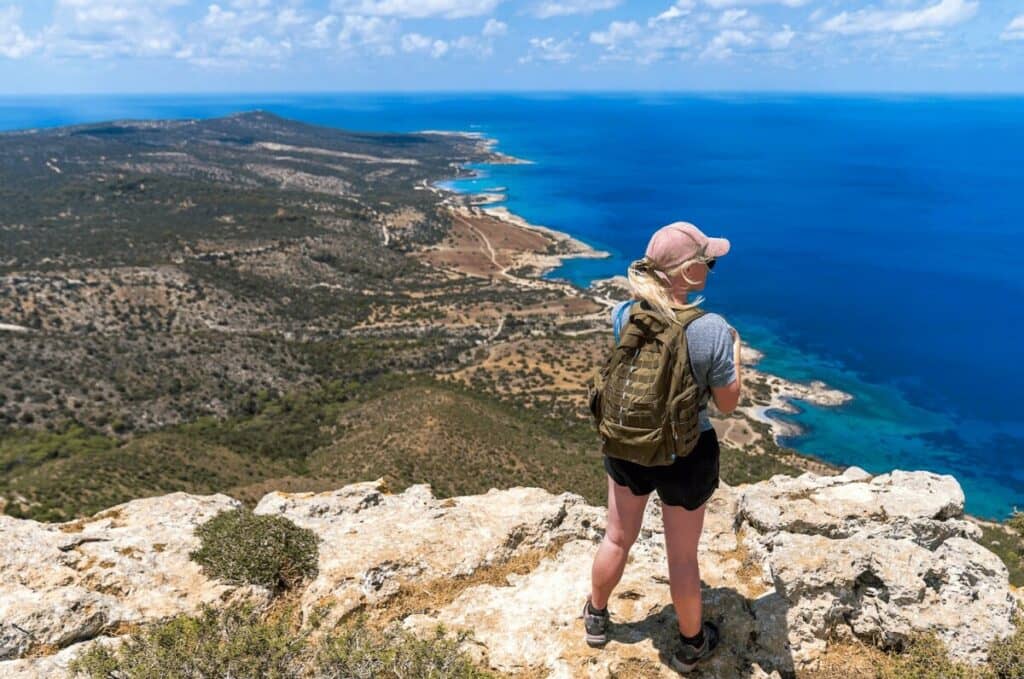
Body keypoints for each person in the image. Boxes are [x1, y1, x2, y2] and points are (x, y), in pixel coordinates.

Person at [582, 221, 742, 674]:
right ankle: (692, 644)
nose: (711, 267)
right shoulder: (711, 329)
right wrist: (737, 359)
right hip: (685, 455)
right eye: (707, 261)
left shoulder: (623, 314)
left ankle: (596, 616)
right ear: (688, 274)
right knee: (682, 557)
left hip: (628, 446)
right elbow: (727, 405)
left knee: (616, 536)